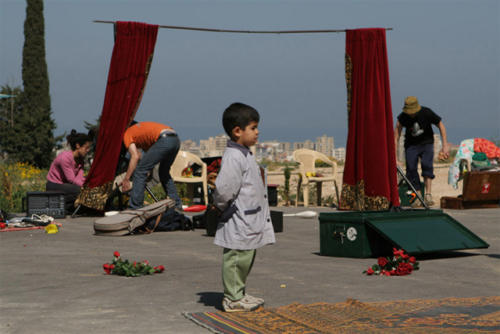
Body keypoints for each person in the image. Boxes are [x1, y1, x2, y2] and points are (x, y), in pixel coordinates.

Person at [212, 102, 275, 312]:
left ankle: (239, 293)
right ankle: (232, 298)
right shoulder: (234, 157)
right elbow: (223, 189)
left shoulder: (245, 153)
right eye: (253, 128)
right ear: (238, 131)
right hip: (238, 219)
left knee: (246, 257)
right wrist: (224, 207)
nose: (257, 132)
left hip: (249, 219)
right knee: (236, 258)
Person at [395, 96, 449, 206]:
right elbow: (396, 136)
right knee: (411, 168)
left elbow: (441, 125)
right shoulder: (402, 117)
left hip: (427, 143)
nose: (411, 114)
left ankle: (428, 194)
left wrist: (445, 145)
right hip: (411, 145)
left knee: (427, 165)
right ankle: (417, 196)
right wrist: (395, 157)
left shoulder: (426, 112)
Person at [120, 121, 181, 209]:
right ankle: (177, 205)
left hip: (164, 139)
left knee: (140, 171)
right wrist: (148, 169)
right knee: (164, 172)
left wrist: (126, 179)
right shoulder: (141, 132)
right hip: (175, 140)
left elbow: (135, 156)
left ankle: (135, 207)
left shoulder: (127, 133)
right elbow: (148, 156)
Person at [46, 130, 92, 212]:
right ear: (78, 146)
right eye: (86, 148)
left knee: (85, 188)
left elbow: (79, 178)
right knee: (80, 190)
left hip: (66, 185)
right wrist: (87, 187)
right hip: (54, 185)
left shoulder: (80, 160)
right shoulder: (65, 158)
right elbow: (71, 180)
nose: (88, 150)